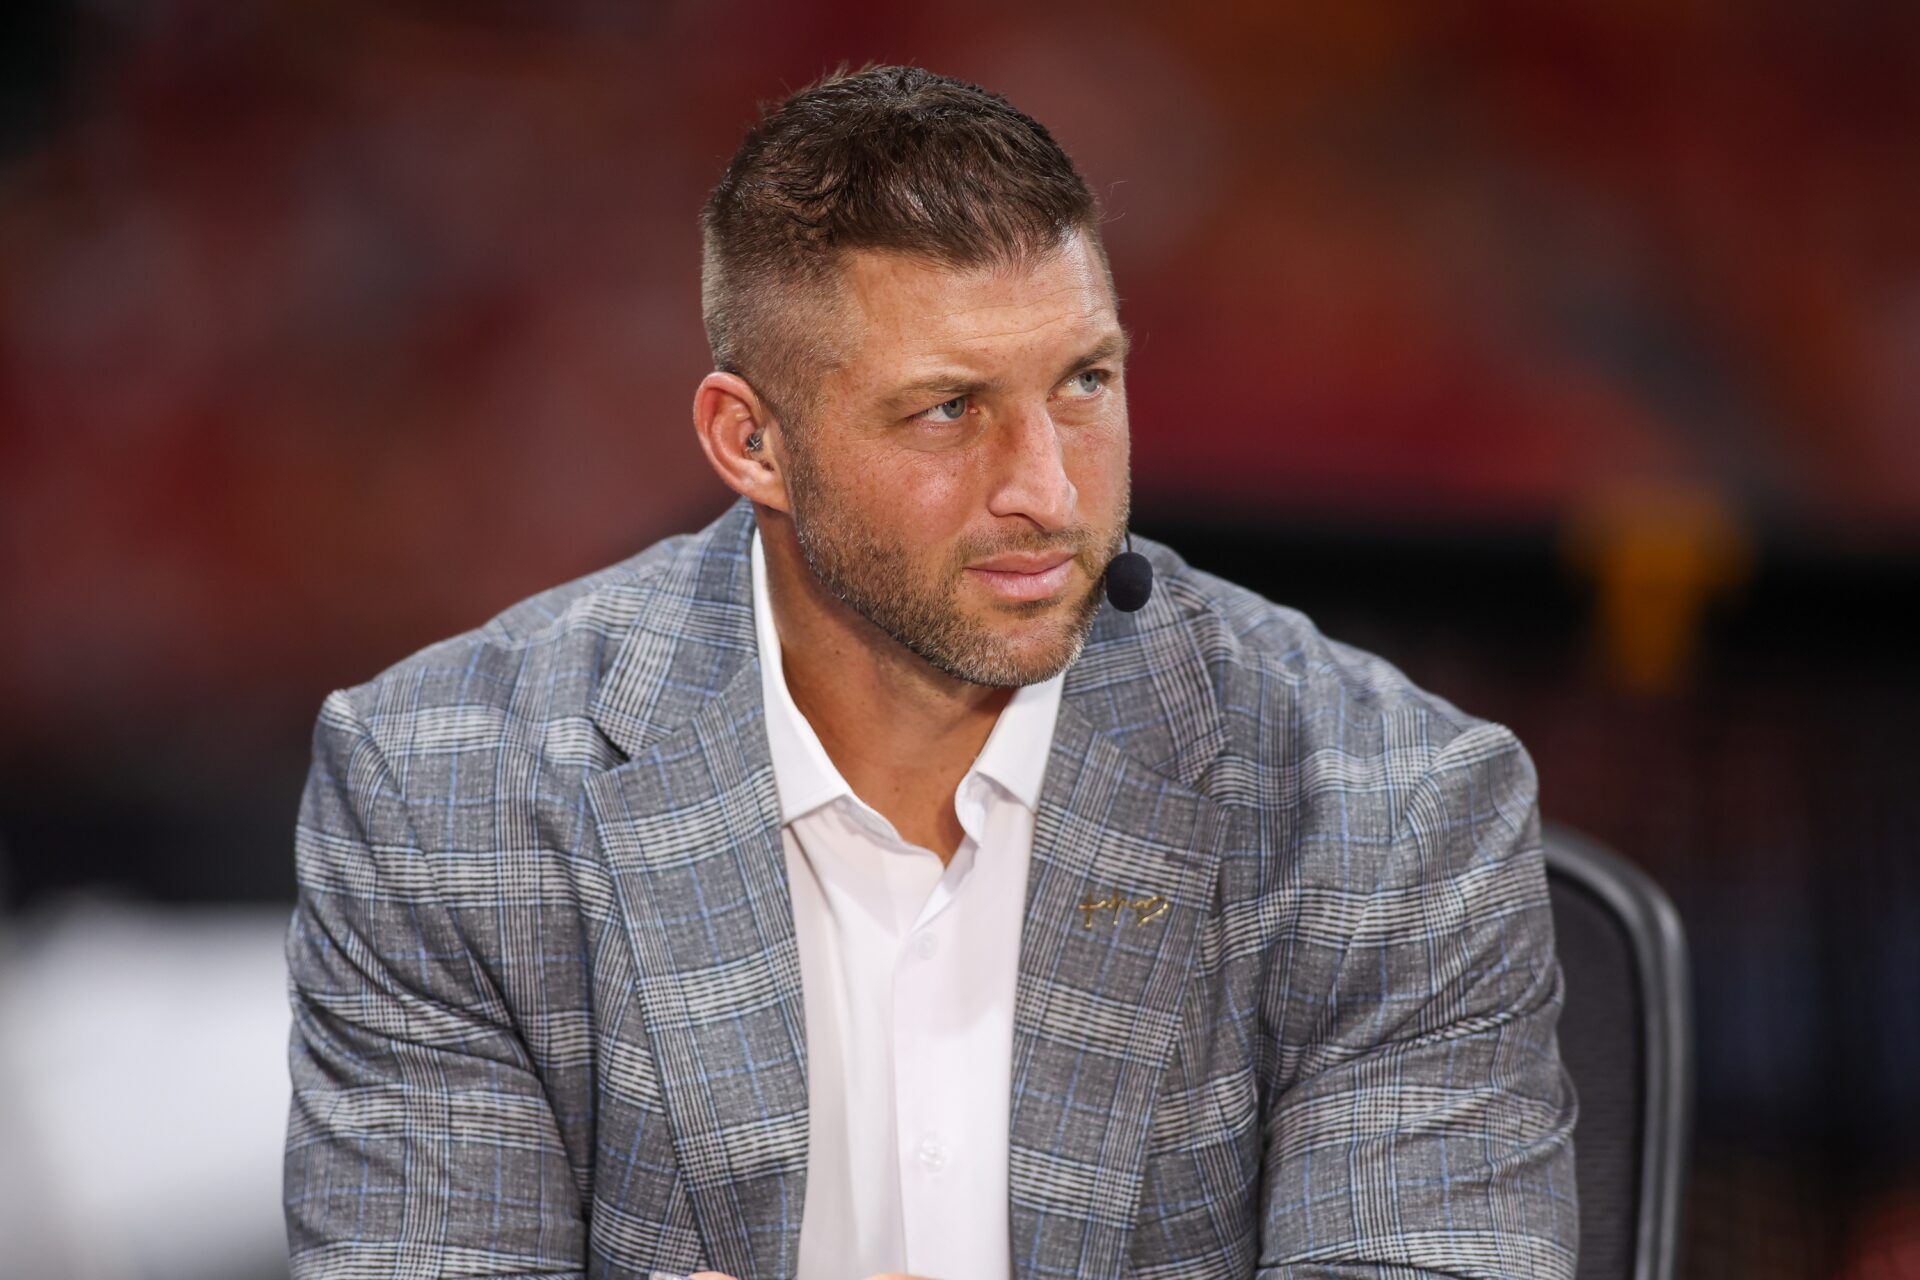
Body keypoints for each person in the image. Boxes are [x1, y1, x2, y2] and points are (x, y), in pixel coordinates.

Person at [283, 65, 1578, 1280]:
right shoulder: (449, 797)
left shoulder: (1391, 810)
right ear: (751, 442)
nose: (1049, 490)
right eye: (948, 409)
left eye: (1084, 382)